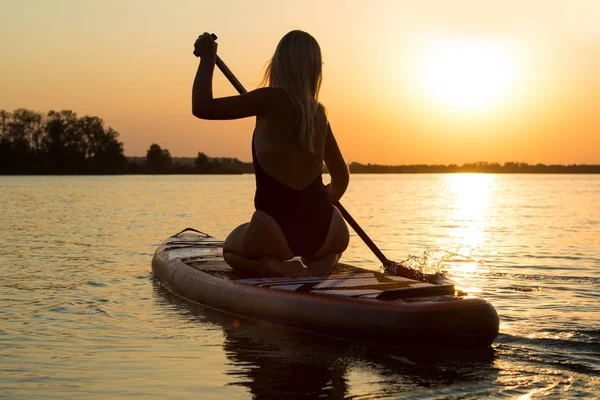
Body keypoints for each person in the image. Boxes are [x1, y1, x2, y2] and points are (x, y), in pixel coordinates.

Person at [192, 30, 349, 277]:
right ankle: (324, 261)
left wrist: (207, 58)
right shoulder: (318, 113)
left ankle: (273, 266)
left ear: (278, 64)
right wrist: (324, 200)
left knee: (230, 250)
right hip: (329, 228)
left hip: (274, 229)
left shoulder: (269, 98)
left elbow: (202, 107)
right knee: (329, 248)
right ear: (314, 70)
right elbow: (341, 177)